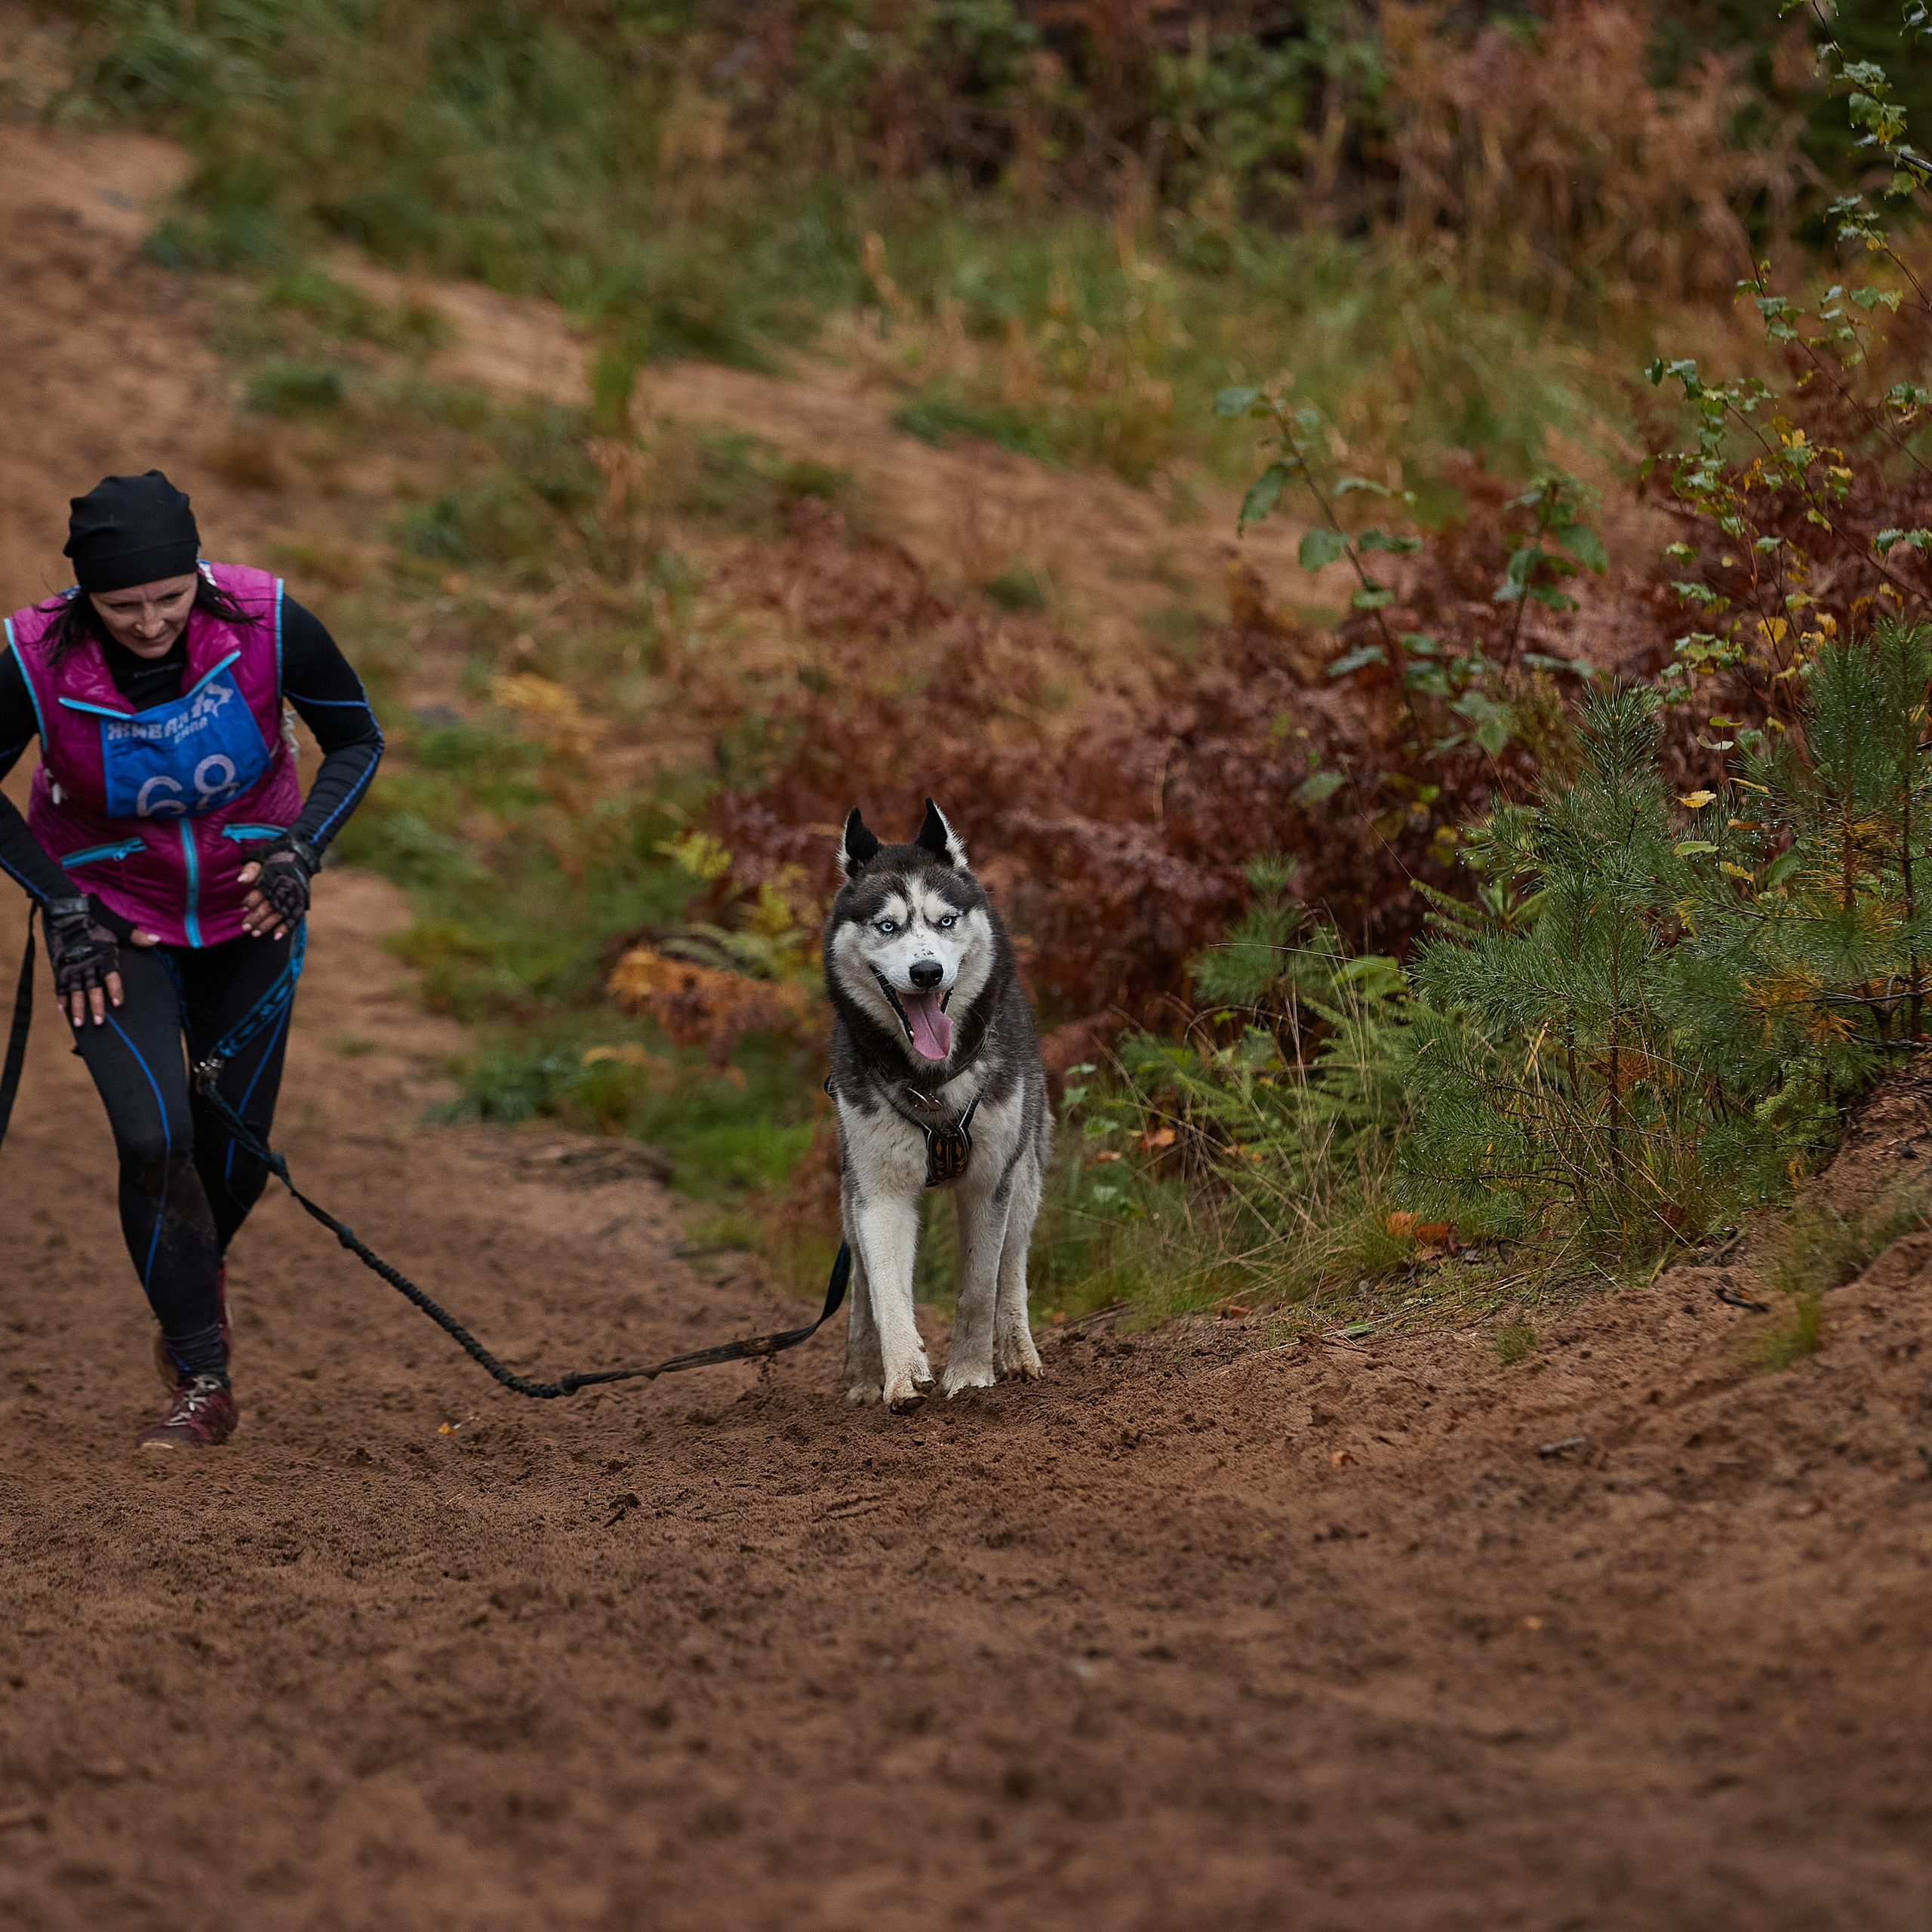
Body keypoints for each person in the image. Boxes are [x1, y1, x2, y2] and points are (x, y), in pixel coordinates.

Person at [0, 471, 383, 1450]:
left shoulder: (266, 618)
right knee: (150, 1140)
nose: (151, 622)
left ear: (197, 575)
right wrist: (61, 903)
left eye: (169, 598)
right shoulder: (33, 653)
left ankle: (193, 1280)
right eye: (123, 605)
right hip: (116, 931)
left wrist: (301, 850)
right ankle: (202, 1378)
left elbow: (356, 739)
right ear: (86, 594)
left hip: (251, 917)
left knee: (230, 1165)